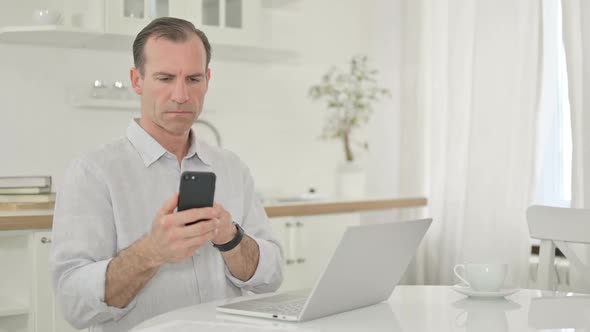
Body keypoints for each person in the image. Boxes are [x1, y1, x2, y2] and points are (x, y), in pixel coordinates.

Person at [49, 17, 284, 332]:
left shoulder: (231, 168)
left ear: (208, 80)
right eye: (165, 78)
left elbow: (271, 278)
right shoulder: (92, 173)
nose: (181, 95)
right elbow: (72, 303)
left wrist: (231, 239)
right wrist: (150, 253)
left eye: (193, 79)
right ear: (137, 81)